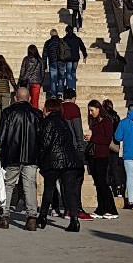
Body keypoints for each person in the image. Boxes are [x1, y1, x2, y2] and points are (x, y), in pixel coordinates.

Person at [0, 87, 43, 230]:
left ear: (15, 98)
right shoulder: (37, 114)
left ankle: (4, 216)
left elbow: (1, 136)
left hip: (12, 155)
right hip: (31, 156)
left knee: (8, 185)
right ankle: (32, 218)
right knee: (30, 186)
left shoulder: (8, 113)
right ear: (29, 98)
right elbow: (41, 138)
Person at [37, 98, 85, 232]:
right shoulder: (64, 122)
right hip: (69, 161)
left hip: (53, 161)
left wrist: (40, 160)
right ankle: (74, 219)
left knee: (49, 189)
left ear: (48, 108)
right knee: (70, 191)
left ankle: (42, 217)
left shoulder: (48, 122)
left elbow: (44, 143)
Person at [60, 89, 94, 221]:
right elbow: (77, 130)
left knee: (65, 180)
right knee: (77, 180)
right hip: (73, 148)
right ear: (74, 98)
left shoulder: (59, 108)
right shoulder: (74, 108)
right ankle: (77, 208)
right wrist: (81, 147)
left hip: (62, 148)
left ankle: (68, 208)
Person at [84, 99, 118, 219]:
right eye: (89, 111)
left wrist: (92, 138)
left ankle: (111, 209)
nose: (91, 113)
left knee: (103, 183)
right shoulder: (94, 122)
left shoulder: (107, 122)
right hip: (94, 156)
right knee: (98, 183)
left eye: (92, 110)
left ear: (98, 109)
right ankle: (101, 208)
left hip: (102, 156)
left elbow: (107, 140)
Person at [103, 98, 125, 198]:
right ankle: (118, 187)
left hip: (105, 143)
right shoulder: (116, 116)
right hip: (115, 143)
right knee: (115, 165)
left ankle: (106, 186)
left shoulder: (103, 116)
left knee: (105, 165)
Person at [0, 55, 16, 126]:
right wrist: (16, 88)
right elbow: (12, 80)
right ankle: (5, 123)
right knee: (5, 108)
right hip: (5, 91)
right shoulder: (7, 69)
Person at [42, 28, 67, 98]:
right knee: (61, 77)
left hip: (52, 62)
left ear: (51, 35)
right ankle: (60, 92)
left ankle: (53, 94)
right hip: (61, 62)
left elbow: (44, 55)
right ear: (57, 34)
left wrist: (44, 66)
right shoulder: (62, 41)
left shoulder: (48, 42)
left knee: (53, 78)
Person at [62, 24, 87, 92]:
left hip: (68, 59)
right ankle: (73, 88)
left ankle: (69, 88)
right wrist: (85, 55)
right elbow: (82, 47)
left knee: (68, 73)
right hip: (76, 58)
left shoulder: (64, 39)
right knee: (73, 72)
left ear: (66, 31)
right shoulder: (77, 39)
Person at [19, 45, 43, 109]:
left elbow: (22, 71)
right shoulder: (40, 60)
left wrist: (20, 81)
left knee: (25, 101)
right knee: (35, 102)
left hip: (27, 82)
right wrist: (41, 82)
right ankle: (35, 116)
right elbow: (42, 73)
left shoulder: (26, 59)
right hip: (37, 82)